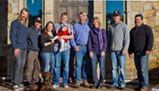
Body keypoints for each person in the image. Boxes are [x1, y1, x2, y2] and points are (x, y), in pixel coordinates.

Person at [128, 14, 153, 91]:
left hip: (144, 53)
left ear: (142, 20)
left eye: (138, 19)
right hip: (136, 53)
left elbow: (150, 39)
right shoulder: (132, 30)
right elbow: (131, 42)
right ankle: (141, 84)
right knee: (138, 69)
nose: (137, 21)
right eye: (136, 20)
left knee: (143, 69)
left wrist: (148, 49)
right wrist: (130, 51)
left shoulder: (147, 28)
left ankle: (145, 85)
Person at [109, 10, 130, 89]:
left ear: (120, 17)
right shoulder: (111, 26)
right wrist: (109, 48)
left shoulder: (124, 26)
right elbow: (109, 38)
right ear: (113, 17)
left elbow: (127, 39)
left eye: (117, 16)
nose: (116, 17)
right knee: (114, 68)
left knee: (121, 68)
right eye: (114, 16)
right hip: (113, 51)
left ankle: (122, 83)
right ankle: (115, 83)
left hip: (121, 50)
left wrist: (125, 49)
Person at [10, 8, 29, 90]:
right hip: (18, 48)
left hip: (25, 48)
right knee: (18, 64)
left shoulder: (25, 24)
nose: (24, 15)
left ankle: (20, 82)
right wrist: (15, 47)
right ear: (20, 14)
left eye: (26, 14)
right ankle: (15, 83)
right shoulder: (15, 23)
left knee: (22, 66)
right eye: (23, 13)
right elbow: (12, 36)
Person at [53, 12, 74, 88]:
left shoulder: (70, 26)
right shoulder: (56, 25)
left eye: (65, 18)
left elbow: (71, 36)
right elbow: (54, 35)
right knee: (57, 66)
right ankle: (56, 82)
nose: (63, 19)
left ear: (67, 19)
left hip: (66, 49)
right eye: (62, 17)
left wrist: (63, 37)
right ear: (60, 18)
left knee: (66, 66)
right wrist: (58, 37)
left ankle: (65, 83)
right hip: (57, 48)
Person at [71, 12, 90, 88]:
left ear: (86, 17)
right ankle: (78, 80)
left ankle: (85, 80)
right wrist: (74, 46)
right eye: (81, 16)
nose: (82, 18)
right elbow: (72, 37)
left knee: (86, 65)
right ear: (79, 17)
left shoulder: (89, 26)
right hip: (78, 47)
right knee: (78, 65)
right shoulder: (75, 26)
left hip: (87, 48)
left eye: (84, 16)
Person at [88, 17, 107, 89]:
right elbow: (89, 42)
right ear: (93, 23)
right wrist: (90, 51)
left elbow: (105, 41)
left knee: (102, 67)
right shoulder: (91, 31)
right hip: (94, 52)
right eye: (94, 22)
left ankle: (101, 82)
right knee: (93, 67)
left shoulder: (102, 31)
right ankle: (95, 82)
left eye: (96, 21)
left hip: (101, 51)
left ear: (99, 22)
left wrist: (103, 50)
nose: (95, 23)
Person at [25, 17, 42, 86]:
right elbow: (25, 40)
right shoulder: (29, 30)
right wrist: (28, 48)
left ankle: (36, 80)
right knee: (30, 67)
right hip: (31, 51)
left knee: (37, 67)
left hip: (39, 51)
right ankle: (28, 81)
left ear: (40, 24)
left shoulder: (41, 31)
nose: (37, 23)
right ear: (34, 22)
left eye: (39, 22)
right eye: (36, 22)